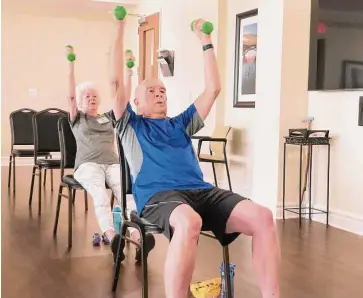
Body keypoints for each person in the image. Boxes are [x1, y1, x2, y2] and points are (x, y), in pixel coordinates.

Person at [111, 18, 281, 298]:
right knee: (189, 221)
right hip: (159, 196)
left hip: (201, 192)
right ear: (136, 103)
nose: (159, 94)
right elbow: (117, 83)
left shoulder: (181, 123)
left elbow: (213, 89)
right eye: (151, 91)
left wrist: (205, 40)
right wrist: (119, 29)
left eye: (162, 90)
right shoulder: (131, 126)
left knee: (262, 217)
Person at [65, 36, 154, 263]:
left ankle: (138, 237)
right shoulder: (77, 118)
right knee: (101, 196)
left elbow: (122, 100)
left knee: (127, 195)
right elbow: (70, 96)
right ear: (81, 102)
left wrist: (129, 71)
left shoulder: (107, 117)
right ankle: (113, 237)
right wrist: (71, 64)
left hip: (112, 163)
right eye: (87, 97)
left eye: (95, 96)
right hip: (87, 165)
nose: (92, 99)